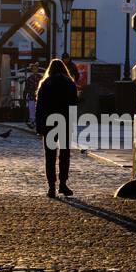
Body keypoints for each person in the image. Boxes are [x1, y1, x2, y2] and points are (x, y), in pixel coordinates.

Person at [35, 57, 78, 198]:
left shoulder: (45, 83)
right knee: (64, 154)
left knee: (50, 155)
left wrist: (38, 125)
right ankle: (63, 184)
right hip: (65, 121)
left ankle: (51, 186)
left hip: (49, 122)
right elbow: (74, 105)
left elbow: (39, 106)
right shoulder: (70, 83)